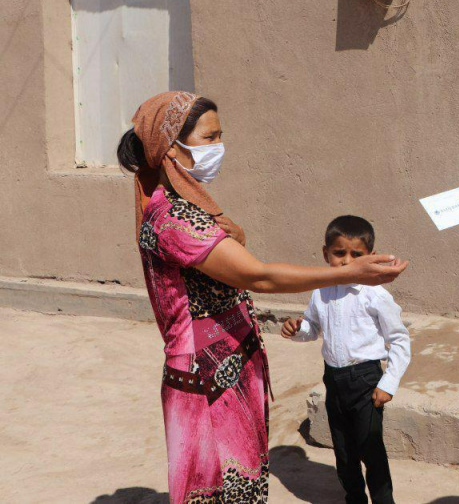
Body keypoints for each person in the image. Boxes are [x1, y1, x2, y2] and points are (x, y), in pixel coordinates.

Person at [117, 91, 408, 504]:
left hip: (228, 367)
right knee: (215, 486)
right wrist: (351, 272)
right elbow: (260, 277)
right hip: (206, 376)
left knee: (239, 483)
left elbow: (229, 261)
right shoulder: (174, 220)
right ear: (170, 148)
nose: (219, 147)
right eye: (209, 137)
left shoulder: (188, 208)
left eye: (221, 135)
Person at [280, 215, 411, 504]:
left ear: (371, 258)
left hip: (366, 380)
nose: (347, 260)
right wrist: (297, 329)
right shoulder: (320, 291)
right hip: (334, 380)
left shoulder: (375, 295)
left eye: (357, 254)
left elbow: (400, 340)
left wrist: (388, 382)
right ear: (326, 253)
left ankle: (383, 500)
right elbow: (313, 328)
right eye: (339, 253)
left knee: (370, 447)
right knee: (343, 448)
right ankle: (354, 497)